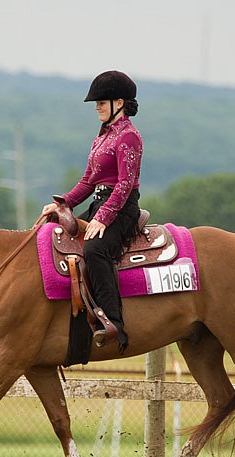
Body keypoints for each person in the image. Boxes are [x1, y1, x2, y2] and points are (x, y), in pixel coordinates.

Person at [42, 70, 143, 352]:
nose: (96, 107)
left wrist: (103, 217)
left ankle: (113, 323)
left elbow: (124, 184)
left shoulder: (129, 137)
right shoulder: (103, 135)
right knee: (60, 237)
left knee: (94, 249)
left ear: (119, 103)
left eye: (101, 102)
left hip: (121, 209)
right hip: (99, 203)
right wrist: (64, 204)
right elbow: (88, 180)